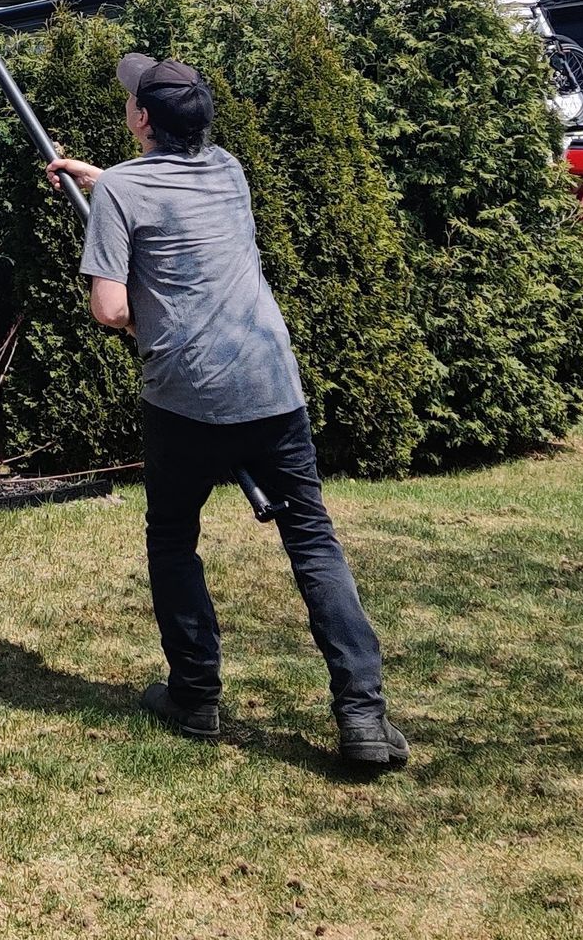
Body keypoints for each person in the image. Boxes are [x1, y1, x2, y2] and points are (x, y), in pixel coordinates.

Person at [45, 52, 409, 769]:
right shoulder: (230, 170)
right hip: (271, 381)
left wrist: (134, 290)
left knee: (174, 538)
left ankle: (194, 695)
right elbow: (166, 194)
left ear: (142, 119)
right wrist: (99, 180)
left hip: (187, 396)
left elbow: (110, 307)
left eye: (132, 101)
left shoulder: (125, 190)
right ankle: (364, 717)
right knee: (312, 540)